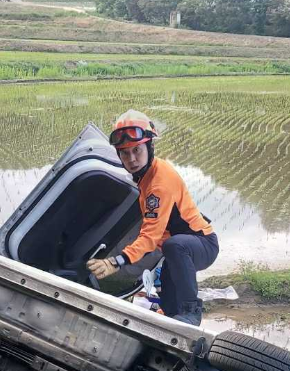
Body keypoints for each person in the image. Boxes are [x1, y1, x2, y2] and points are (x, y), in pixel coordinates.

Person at [86, 110, 218, 326]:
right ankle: (178, 323)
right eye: (125, 153)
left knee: (174, 247)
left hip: (202, 244)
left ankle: (192, 310)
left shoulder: (159, 183)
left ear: (149, 147)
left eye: (137, 150)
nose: (132, 159)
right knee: (170, 301)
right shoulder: (146, 176)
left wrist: (116, 261)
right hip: (178, 249)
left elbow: (150, 236)